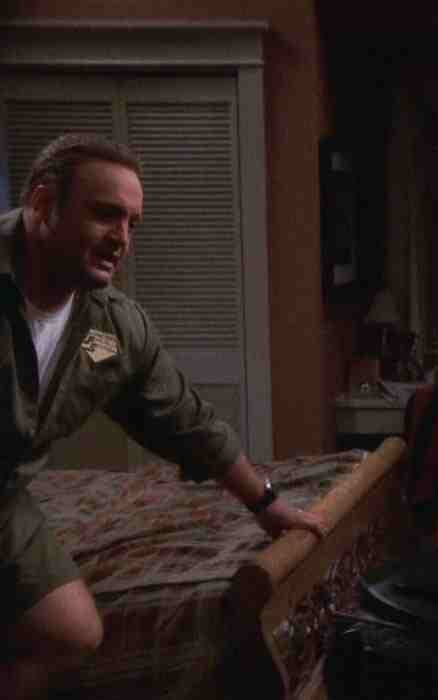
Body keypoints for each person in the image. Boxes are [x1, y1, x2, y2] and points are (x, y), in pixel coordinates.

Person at [0, 133, 326, 700]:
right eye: (106, 215)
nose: (122, 239)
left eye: (132, 223)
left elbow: (186, 421)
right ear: (44, 205)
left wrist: (267, 505)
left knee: (75, 633)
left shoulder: (109, 329)